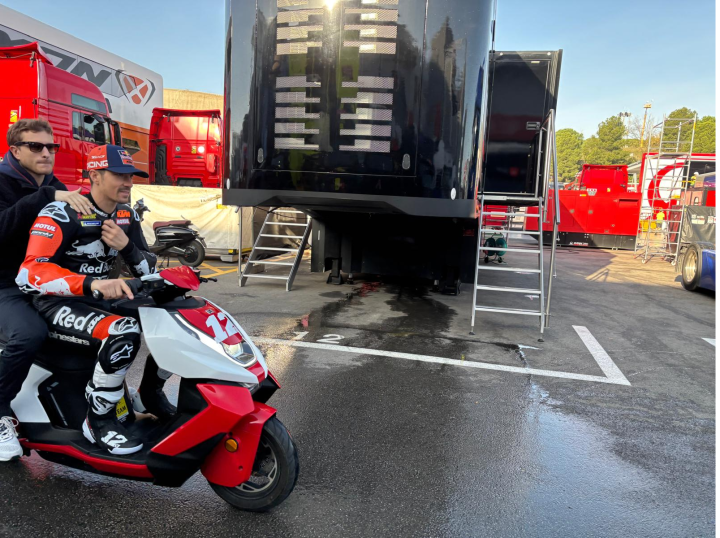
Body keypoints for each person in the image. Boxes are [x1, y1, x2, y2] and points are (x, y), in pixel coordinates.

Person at [16, 144, 174, 455]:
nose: (128, 182)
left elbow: (147, 267)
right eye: (119, 175)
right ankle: (99, 421)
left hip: (97, 299)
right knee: (123, 332)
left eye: (131, 176)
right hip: (55, 303)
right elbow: (29, 273)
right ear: (95, 175)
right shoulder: (61, 212)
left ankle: (151, 393)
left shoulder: (126, 215)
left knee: (169, 316)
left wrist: (127, 246)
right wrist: (92, 284)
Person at [0, 119, 94, 461]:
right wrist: (46, 197)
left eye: (51, 147)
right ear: (15, 150)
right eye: (36, 146)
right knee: (29, 333)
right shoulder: (20, 185)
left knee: (113, 318)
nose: (46, 153)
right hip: (5, 285)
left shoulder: (54, 185)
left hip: (42, 281)